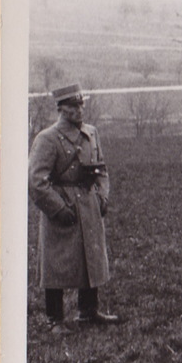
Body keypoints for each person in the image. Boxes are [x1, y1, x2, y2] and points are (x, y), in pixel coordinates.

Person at [28, 83, 118, 329]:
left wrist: (102, 196)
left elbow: (101, 169)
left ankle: (89, 311)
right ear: (62, 109)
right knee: (56, 262)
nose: (79, 110)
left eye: (81, 105)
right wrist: (58, 209)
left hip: (88, 202)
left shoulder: (91, 132)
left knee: (92, 257)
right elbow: (36, 182)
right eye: (73, 106)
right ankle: (54, 319)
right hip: (63, 205)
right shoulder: (47, 138)